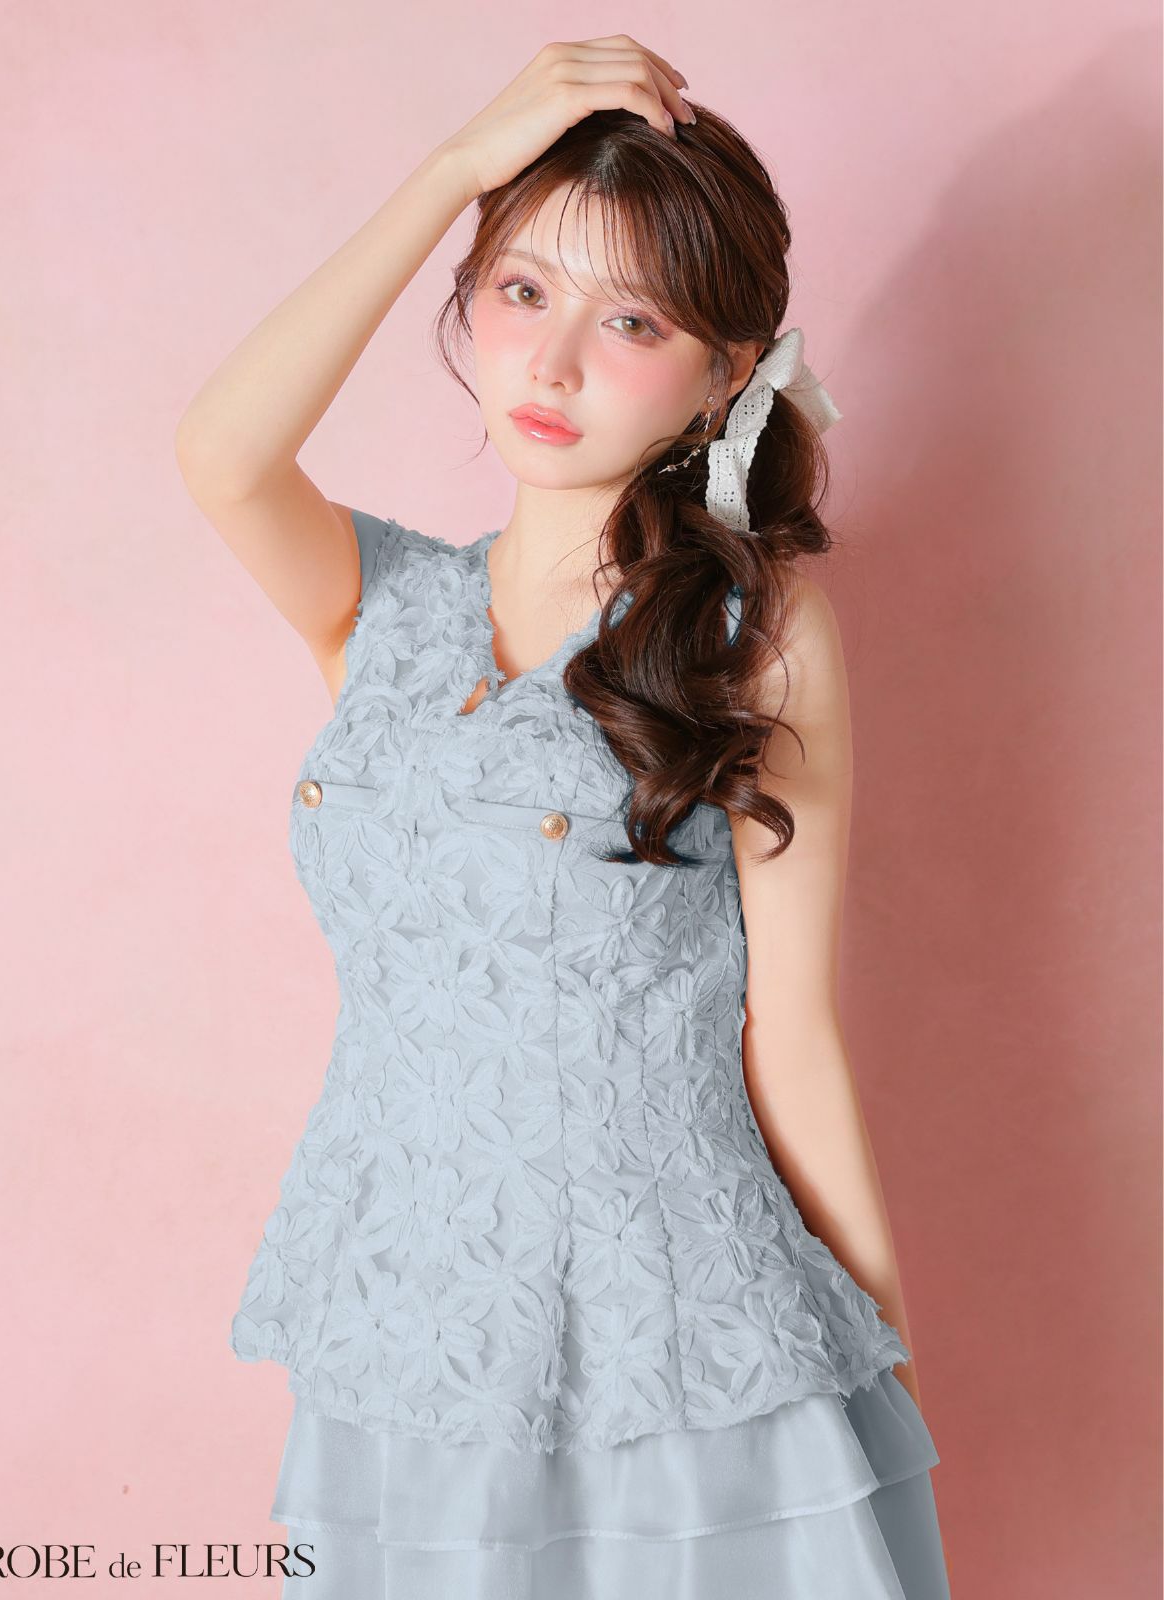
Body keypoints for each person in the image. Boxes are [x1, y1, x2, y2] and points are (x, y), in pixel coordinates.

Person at [176, 33, 952, 1598]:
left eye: (632, 320)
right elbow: (222, 452)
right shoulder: (383, 609)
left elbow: (789, 1030)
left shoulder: (750, 639)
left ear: (725, 373)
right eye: (523, 291)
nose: (552, 363)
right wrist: (455, 169)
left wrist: (883, 1359)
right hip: (407, 1328)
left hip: (678, 1343)